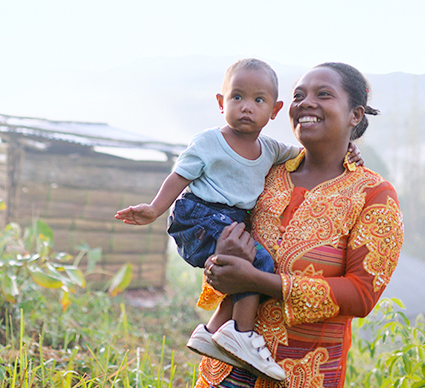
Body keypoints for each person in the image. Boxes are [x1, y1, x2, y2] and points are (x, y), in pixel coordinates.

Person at [115, 59, 362, 381]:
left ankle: (214, 329)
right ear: (221, 103)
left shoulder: (271, 153)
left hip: (230, 222)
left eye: (258, 101)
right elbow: (179, 177)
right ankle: (241, 334)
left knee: (248, 259)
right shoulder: (210, 142)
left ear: (273, 110)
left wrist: (348, 153)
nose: (246, 108)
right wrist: (154, 208)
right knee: (257, 260)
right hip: (200, 215)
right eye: (237, 98)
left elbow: (304, 154)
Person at [196, 62, 403, 388]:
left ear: (355, 115)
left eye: (323, 95)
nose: (306, 103)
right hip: (224, 369)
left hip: (304, 373)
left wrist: (259, 280)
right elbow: (216, 224)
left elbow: (361, 295)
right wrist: (219, 258)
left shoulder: (374, 196)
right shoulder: (264, 172)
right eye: (298, 95)